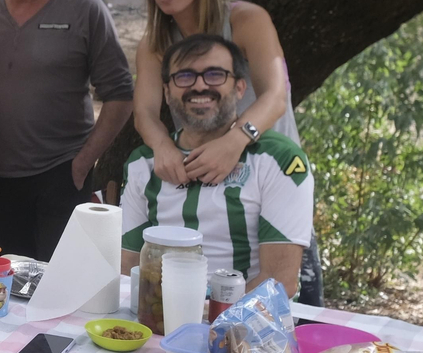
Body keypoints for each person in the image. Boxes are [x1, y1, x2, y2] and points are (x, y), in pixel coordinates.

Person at [131, 0, 324, 305]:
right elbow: (144, 112)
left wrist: (235, 141)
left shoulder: (246, 19)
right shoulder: (155, 42)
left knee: (286, 292)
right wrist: (161, 146)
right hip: (201, 181)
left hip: (269, 176)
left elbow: (275, 95)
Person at [0, 0, 134, 260]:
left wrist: (84, 162)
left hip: (62, 172)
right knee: (10, 278)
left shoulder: (86, 9)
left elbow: (120, 93)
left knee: (58, 279)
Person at [120, 34, 313, 294]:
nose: (199, 86)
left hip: (245, 328)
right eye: (184, 76)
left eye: (215, 75)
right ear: (166, 92)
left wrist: (202, 317)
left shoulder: (280, 160)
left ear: (240, 88)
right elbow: (127, 268)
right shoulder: (142, 164)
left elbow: (279, 283)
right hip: (155, 317)